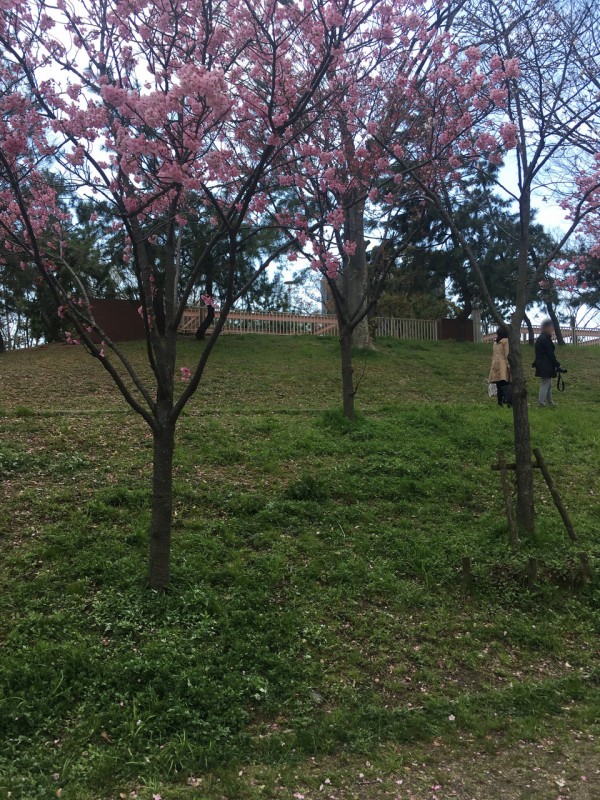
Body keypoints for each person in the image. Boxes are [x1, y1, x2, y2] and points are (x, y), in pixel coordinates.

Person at [533, 319, 561, 407]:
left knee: (548, 384)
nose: (552, 330)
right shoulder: (545, 339)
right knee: (545, 383)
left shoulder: (541, 338)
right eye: (551, 327)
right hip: (546, 364)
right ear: (546, 327)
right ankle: (542, 402)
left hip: (542, 364)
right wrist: (557, 364)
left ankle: (549, 402)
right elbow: (550, 353)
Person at [489, 326, 511, 406]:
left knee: (499, 385)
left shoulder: (495, 342)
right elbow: (507, 355)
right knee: (506, 384)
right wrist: (509, 366)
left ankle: (500, 403)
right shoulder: (506, 341)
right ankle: (509, 402)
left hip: (495, 364)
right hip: (503, 365)